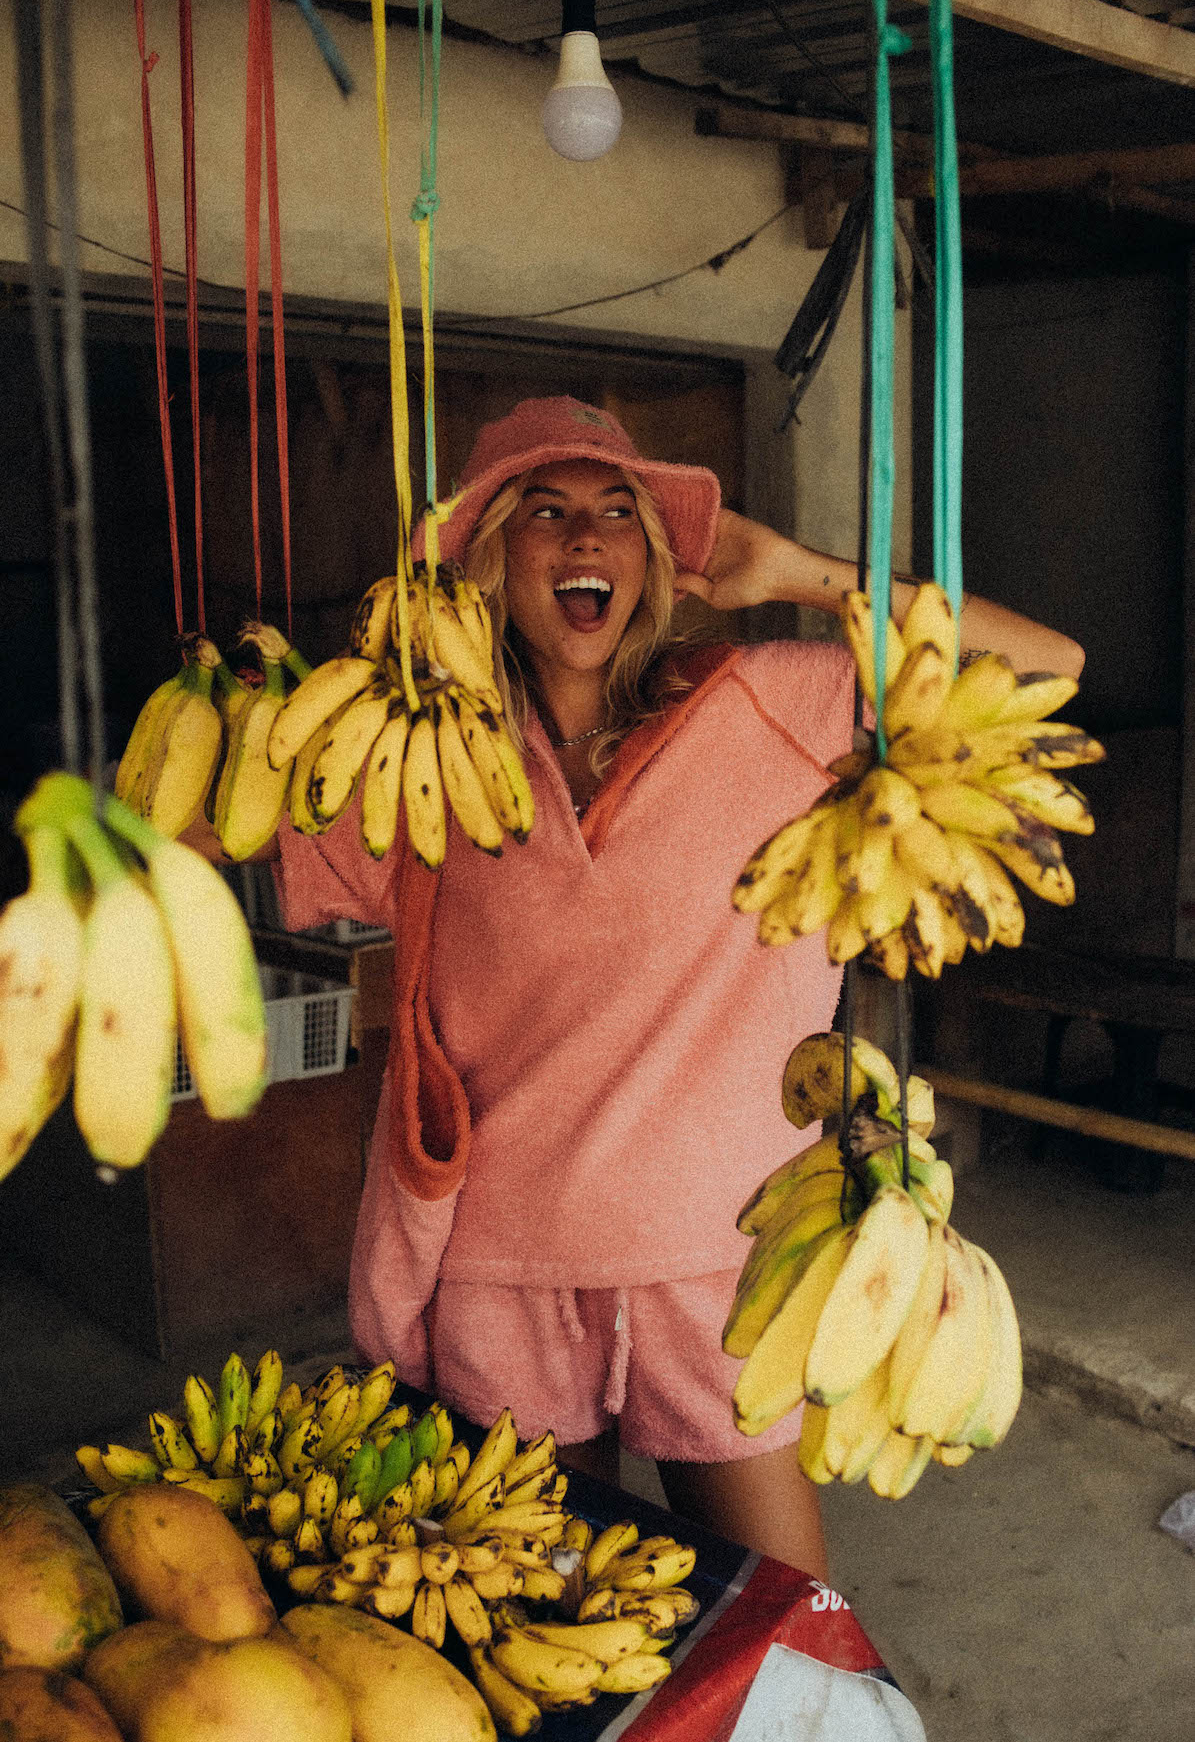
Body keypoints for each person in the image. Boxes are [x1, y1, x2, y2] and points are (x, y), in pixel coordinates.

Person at [190, 395, 1083, 1580]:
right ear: (487, 561)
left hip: (725, 1260)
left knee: (788, 1644)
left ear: (657, 560)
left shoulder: (782, 701)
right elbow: (192, 827)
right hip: (500, 1269)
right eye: (542, 512)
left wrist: (800, 572)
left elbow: (1044, 666)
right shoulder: (421, 764)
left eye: (620, 512)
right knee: (553, 1647)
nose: (584, 539)